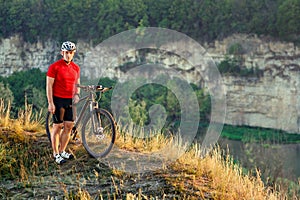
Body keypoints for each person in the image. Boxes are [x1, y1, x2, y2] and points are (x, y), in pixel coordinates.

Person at [46, 41, 80, 164]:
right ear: (62, 53)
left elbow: (77, 84)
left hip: (70, 100)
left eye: (70, 53)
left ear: (73, 54)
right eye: (66, 52)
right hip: (58, 99)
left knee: (69, 126)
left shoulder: (76, 68)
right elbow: (49, 86)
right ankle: (55, 154)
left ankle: (62, 150)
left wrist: (77, 94)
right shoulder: (54, 67)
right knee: (57, 126)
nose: (68, 55)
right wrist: (50, 102)